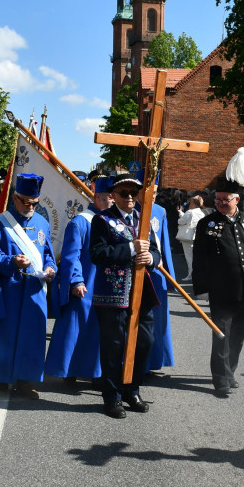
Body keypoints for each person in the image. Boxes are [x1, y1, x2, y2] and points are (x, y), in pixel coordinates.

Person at [0, 173, 56, 399]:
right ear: (15, 198)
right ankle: (1, 377)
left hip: (34, 290)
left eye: (35, 203)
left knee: (33, 337)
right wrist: (12, 261)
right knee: (6, 336)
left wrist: (52, 269)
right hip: (9, 289)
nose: (30, 206)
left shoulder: (42, 223)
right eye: (26, 202)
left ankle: (25, 381)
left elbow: (48, 254)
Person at [90, 174, 162, 418]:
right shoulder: (102, 220)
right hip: (112, 292)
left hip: (141, 292)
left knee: (145, 342)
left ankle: (132, 389)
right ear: (114, 195)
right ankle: (112, 396)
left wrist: (151, 258)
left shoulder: (144, 220)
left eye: (134, 192)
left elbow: (155, 251)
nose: (130, 197)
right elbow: (98, 253)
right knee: (113, 346)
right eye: (124, 193)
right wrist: (131, 249)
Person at [192, 176, 244, 398]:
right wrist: (202, 287)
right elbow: (199, 257)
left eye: (225, 199)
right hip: (221, 288)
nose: (221, 203)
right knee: (221, 334)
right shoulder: (207, 223)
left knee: (237, 334)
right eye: (218, 199)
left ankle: (230, 371)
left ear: (237, 200)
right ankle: (221, 379)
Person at [45, 176, 112, 383]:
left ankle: (96, 373)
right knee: (74, 331)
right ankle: (70, 370)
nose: (113, 200)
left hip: (107, 286)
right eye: (110, 196)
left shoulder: (115, 221)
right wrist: (76, 281)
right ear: (98, 196)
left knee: (99, 333)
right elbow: (71, 256)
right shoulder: (81, 222)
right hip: (86, 285)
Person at [144, 190, 177, 372]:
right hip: (139, 272)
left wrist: (170, 277)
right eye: (149, 191)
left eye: (155, 192)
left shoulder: (160, 211)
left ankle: (155, 361)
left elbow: (165, 245)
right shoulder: (131, 210)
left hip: (157, 274)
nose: (153, 195)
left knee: (158, 321)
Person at [176, 195, 204, 282]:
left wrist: (180, 213)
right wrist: (181, 213)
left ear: (194, 204)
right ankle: (195, 273)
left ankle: (191, 274)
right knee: (194, 257)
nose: (189, 204)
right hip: (196, 236)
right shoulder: (201, 213)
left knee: (189, 257)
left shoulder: (190, 212)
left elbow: (180, 221)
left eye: (191, 202)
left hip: (188, 237)